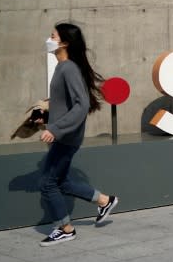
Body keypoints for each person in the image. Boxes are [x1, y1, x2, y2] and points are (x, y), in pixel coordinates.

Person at [38, 23, 118, 246]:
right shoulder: (62, 66)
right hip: (64, 135)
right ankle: (104, 201)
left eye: (52, 35)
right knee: (61, 181)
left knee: (47, 182)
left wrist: (55, 129)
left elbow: (81, 106)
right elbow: (65, 104)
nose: (48, 38)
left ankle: (65, 229)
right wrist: (45, 117)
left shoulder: (69, 68)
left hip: (65, 137)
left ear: (64, 43)